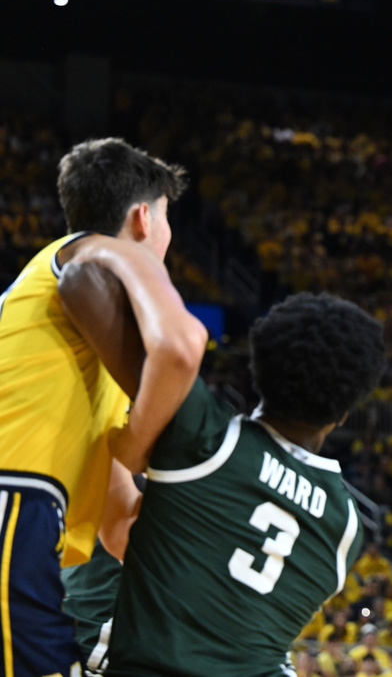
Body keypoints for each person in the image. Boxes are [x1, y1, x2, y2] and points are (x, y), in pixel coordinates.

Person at [0, 137, 207, 676]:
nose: (167, 234)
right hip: (13, 496)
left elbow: (119, 524)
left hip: (30, 510)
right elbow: (183, 346)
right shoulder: (97, 250)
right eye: (166, 218)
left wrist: (216, 585)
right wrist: (142, 441)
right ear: (142, 217)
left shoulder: (86, 345)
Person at [102, 292, 387, 676]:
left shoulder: (206, 435)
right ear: (344, 414)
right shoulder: (347, 527)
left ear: (258, 372)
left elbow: (87, 293)